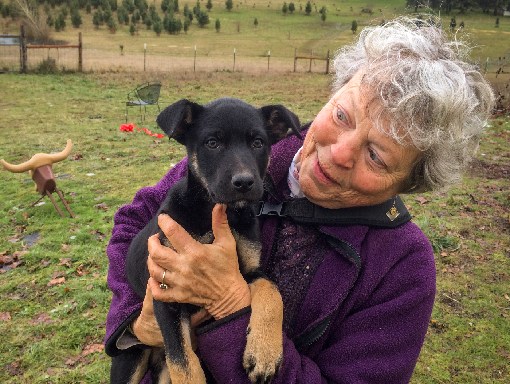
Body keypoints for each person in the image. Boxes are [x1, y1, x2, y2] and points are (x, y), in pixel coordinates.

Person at [104, 17, 494, 383]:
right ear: (332, 95)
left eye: (376, 155)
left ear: (408, 181)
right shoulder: (236, 161)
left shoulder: (402, 267)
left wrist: (230, 306)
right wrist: (136, 324)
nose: (340, 153)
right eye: (343, 116)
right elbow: (130, 227)